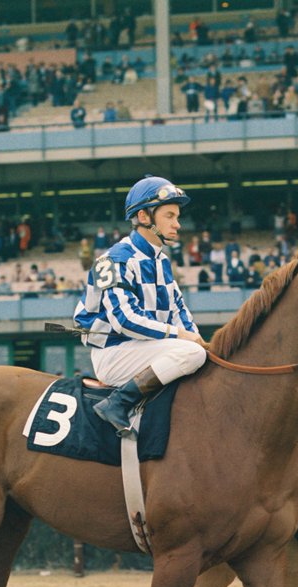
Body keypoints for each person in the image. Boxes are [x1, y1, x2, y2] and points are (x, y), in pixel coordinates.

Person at [76, 175, 207, 434]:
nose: (177, 224)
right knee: (192, 353)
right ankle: (117, 403)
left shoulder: (161, 261)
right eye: (169, 216)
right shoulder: (112, 260)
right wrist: (183, 336)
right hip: (115, 352)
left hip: (145, 348)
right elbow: (124, 320)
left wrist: (198, 338)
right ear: (145, 217)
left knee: (203, 354)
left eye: (177, 217)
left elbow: (179, 310)